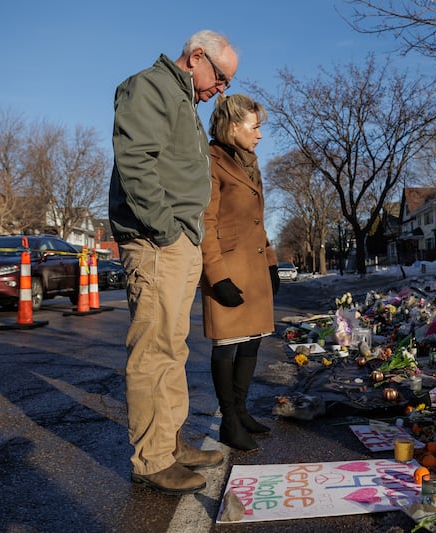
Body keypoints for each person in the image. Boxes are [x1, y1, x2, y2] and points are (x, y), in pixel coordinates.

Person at [109, 30, 238, 495]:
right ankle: (151, 459)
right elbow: (135, 163)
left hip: (177, 240)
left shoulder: (183, 100)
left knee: (173, 348)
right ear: (196, 56)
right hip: (156, 240)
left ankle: (169, 443)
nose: (221, 88)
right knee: (153, 352)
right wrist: (165, 230)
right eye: (220, 78)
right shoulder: (150, 86)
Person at [200, 94, 279, 451]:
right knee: (227, 345)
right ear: (234, 127)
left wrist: (272, 262)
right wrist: (217, 276)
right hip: (228, 266)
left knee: (252, 339)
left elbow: (257, 221)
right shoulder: (211, 161)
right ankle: (229, 421)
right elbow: (206, 221)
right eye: (255, 126)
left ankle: (242, 410)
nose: (260, 134)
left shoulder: (249, 162)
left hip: (254, 264)